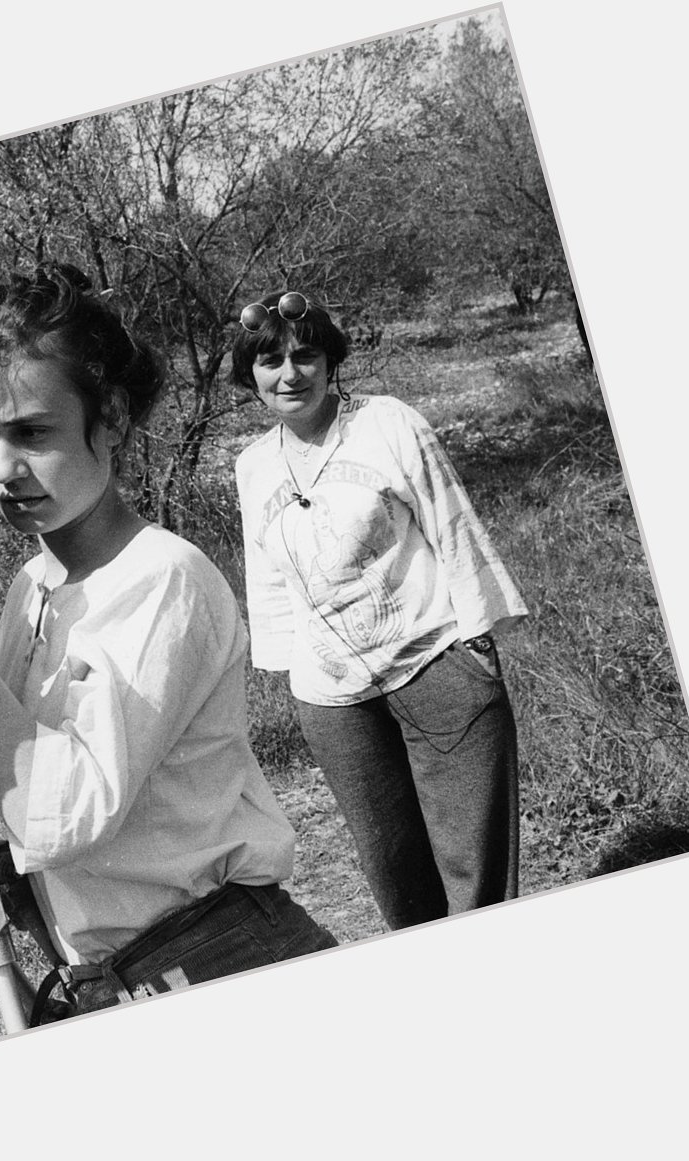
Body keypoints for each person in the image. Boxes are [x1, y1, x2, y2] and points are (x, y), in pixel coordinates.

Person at [0, 264, 335, 1015]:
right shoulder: (32, 583)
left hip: (215, 953)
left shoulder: (163, 579)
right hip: (112, 975)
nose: (5, 468)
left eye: (33, 432)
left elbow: (58, 813)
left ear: (109, 417)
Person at [231, 290, 528, 930]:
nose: (289, 374)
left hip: (436, 663)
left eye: (305, 355)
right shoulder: (252, 465)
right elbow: (268, 577)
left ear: (330, 359)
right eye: (269, 361)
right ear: (248, 374)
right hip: (333, 701)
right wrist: (288, 672)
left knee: (475, 874)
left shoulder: (386, 422)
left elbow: (451, 520)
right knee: (396, 877)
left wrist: (477, 639)